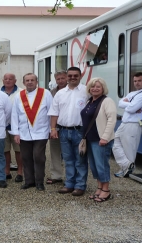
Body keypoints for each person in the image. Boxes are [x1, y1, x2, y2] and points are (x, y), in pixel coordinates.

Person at [48, 67, 88, 196]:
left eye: (75, 75)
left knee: (80, 160)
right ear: (67, 76)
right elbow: (54, 112)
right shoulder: (60, 93)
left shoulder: (86, 90)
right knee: (68, 159)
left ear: (80, 76)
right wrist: (53, 129)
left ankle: (80, 185)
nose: (72, 78)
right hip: (64, 131)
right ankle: (69, 184)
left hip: (80, 131)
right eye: (70, 75)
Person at [11, 73, 52, 191]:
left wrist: (52, 129)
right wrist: (16, 133)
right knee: (26, 157)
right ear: (23, 83)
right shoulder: (19, 95)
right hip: (24, 133)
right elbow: (15, 115)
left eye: (32, 80)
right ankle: (29, 181)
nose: (29, 82)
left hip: (41, 132)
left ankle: (39, 182)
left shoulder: (45, 93)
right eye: (27, 80)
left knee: (38, 157)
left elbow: (51, 111)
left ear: (36, 81)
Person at [80, 77, 117, 202]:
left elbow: (112, 120)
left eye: (98, 86)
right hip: (90, 139)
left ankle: (106, 190)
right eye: (92, 86)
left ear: (103, 88)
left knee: (102, 165)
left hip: (101, 139)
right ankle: (99, 188)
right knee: (95, 166)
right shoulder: (89, 101)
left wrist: (105, 137)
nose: (95, 88)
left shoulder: (107, 101)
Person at [113, 72, 142, 177]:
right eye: (135, 81)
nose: (137, 83)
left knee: (129, 148)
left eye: (139, 81)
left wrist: (130, 105)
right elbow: (120, 103)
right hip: (124, 122)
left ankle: (127, 171)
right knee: (115, 142)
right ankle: (126, 165)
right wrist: (132, 105)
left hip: (133, 124)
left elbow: (131, 108)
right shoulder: (132, 93)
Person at [1, 73, 23, 181]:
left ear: (15, 80)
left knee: (19, 150)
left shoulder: (22, 92)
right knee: (5, 150)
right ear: (2, 80)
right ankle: (7, 171)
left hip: (18, 127)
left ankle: (20, 172)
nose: (8, 81)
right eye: (6, 79)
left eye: (10, 79)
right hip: (2, 127)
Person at [47, 70, 67, 185]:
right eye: (58, 79)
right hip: (54, 126)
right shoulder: (51, 92)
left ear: (67, 78)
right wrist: (51, 128)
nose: (60, 81)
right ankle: (56, 175)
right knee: (54, 151)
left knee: (69, 153)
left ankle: (70, 176)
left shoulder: (74, 91)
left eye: (62, 78)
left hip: (68, 126)